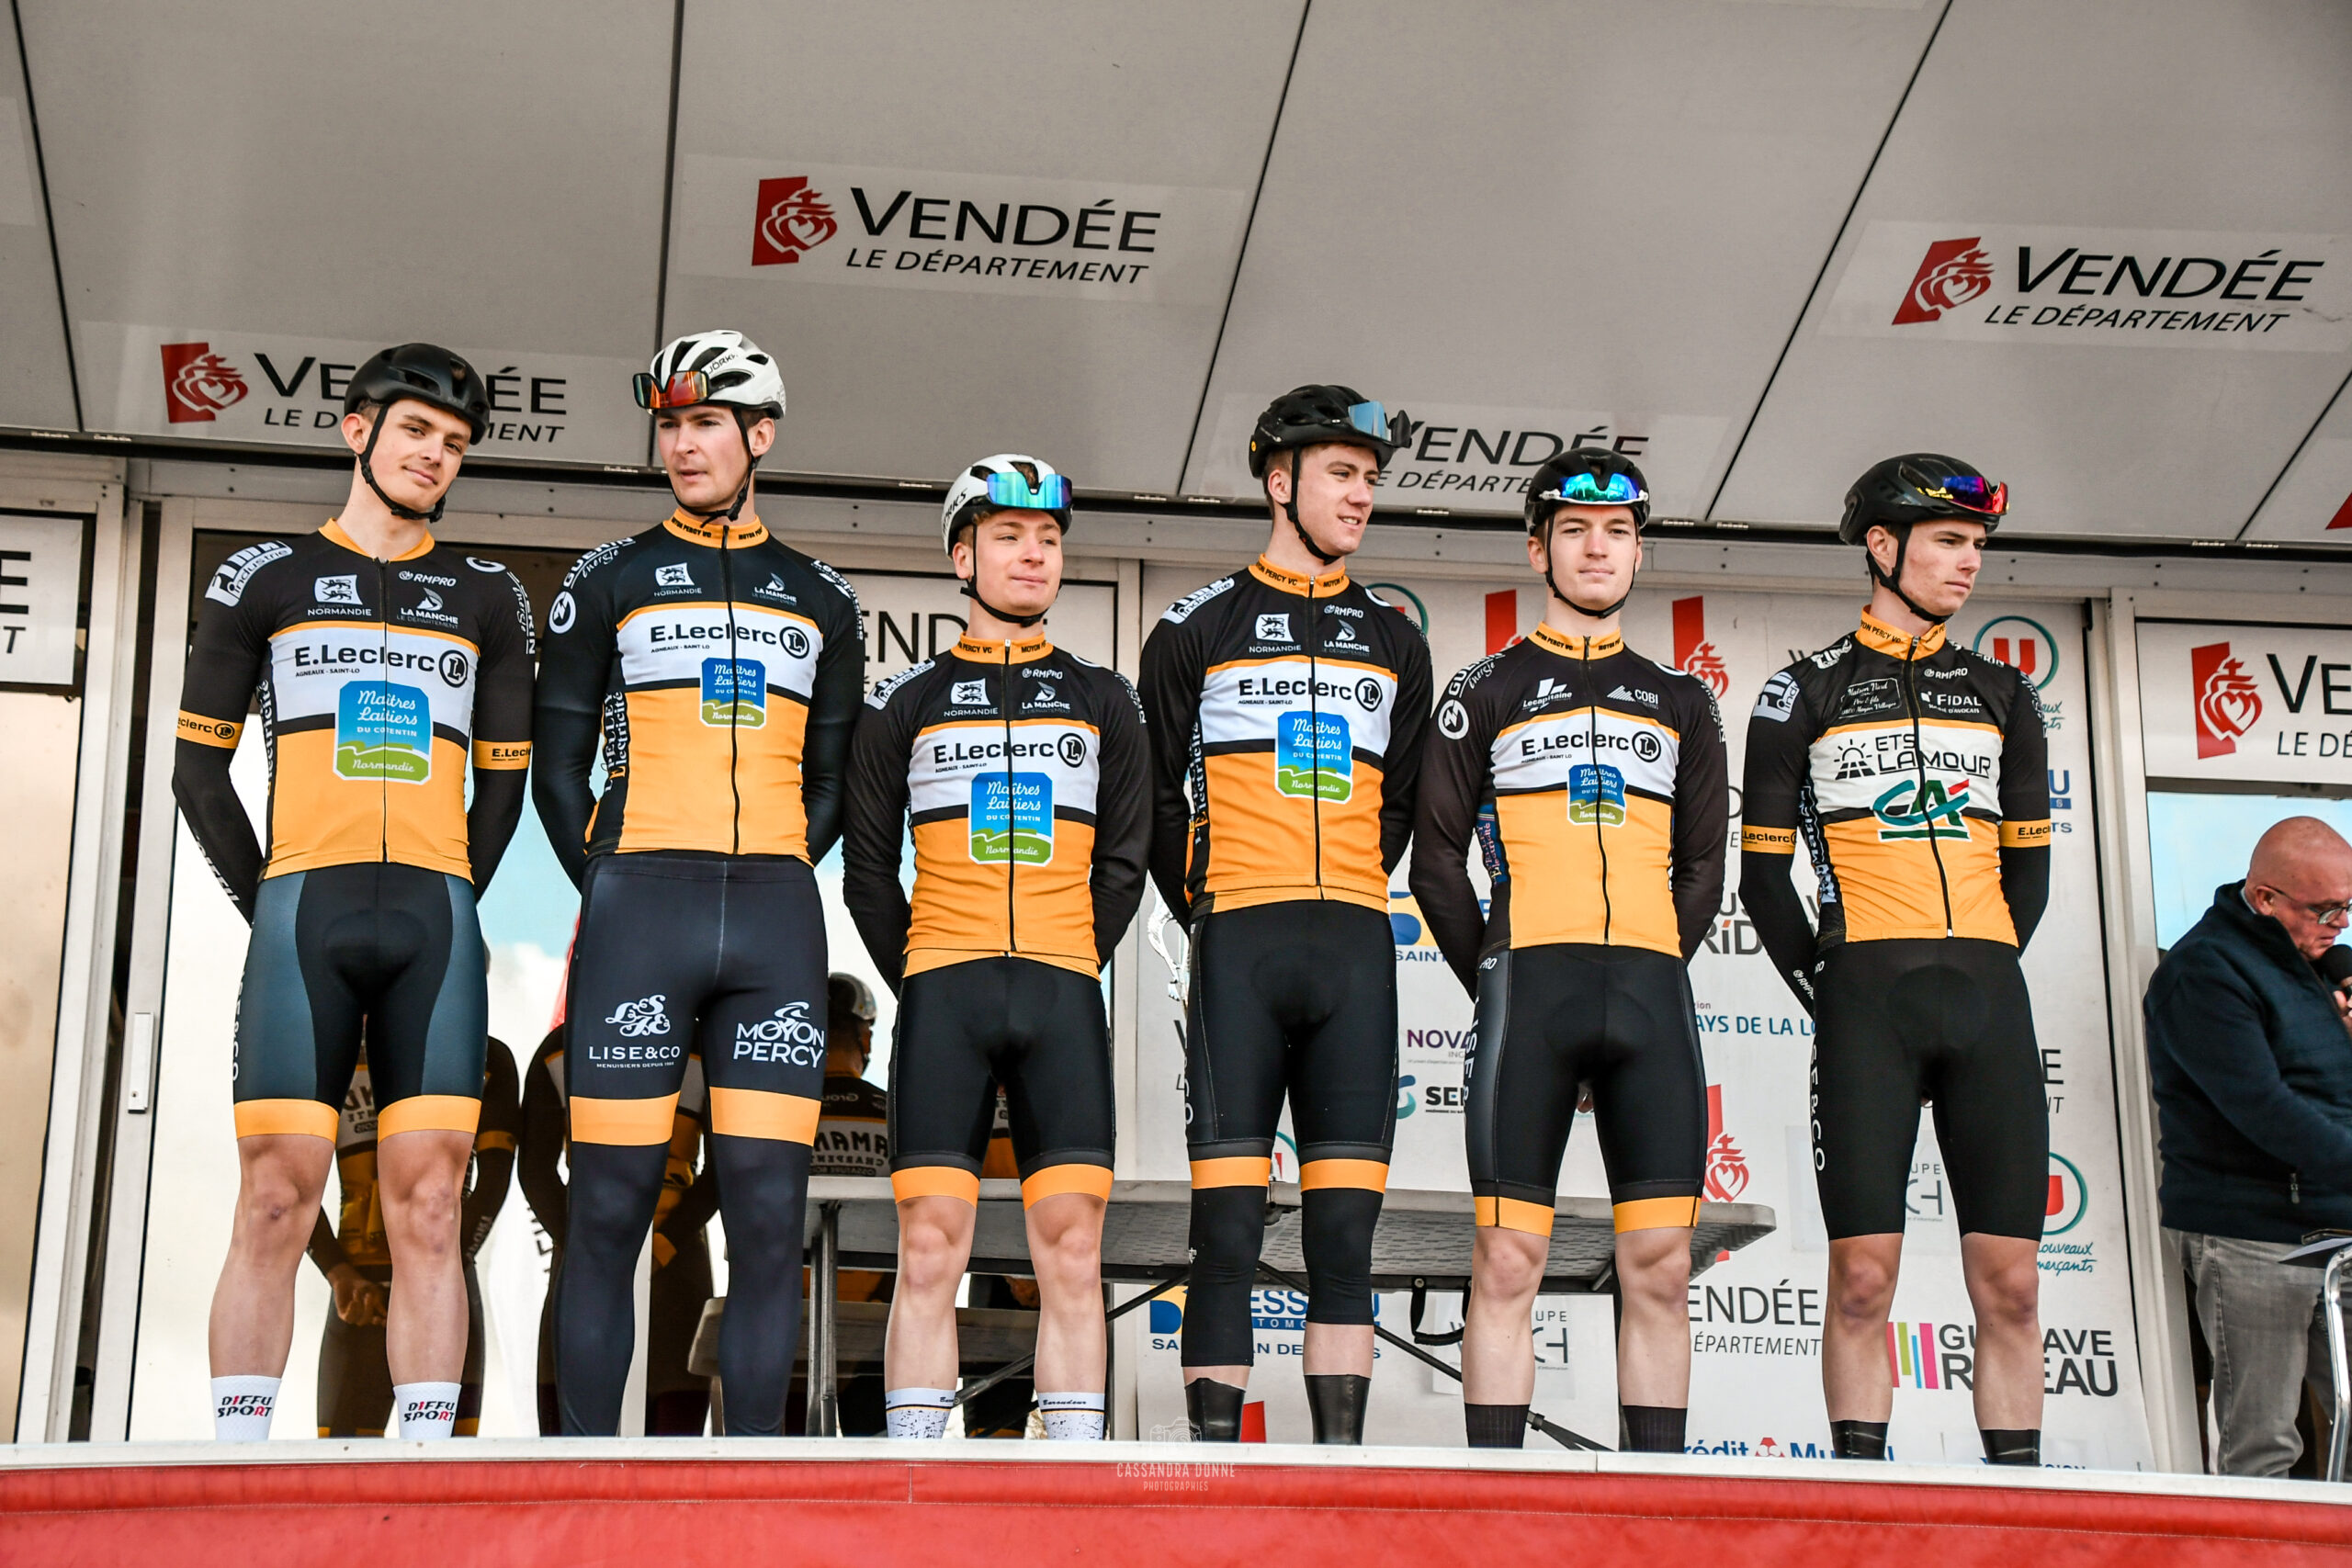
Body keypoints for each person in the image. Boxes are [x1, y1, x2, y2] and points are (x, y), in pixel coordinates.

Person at [176, 344, 535, 1441]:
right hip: (303, 915)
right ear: (357, 429)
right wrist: (271, 904)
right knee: (274, 1198)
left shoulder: (485, 595)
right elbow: (198, 772)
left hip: (434, 922)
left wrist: (454, 894)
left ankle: (423, 1458)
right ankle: (236, 1462)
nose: (435, 456)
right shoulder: (265, 578)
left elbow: (504, 785)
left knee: (431, 1206)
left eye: (456, 444)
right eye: (417, 431)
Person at [532, 330, 865, 1436]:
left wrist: (779, 864)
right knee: (608, 1212)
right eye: (669, 426)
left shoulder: (821, 596)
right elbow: (558, 765)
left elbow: (831, 779)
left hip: (774, 922)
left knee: (767, 1222)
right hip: (641, 908)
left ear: (759, 435)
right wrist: (613, 880)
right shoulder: (608, 578)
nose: (682, 446)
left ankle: (753, 1486)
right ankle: (587, 1481)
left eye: (706, 423)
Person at [1409, 451, 1727, 1452]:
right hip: (1530, 990)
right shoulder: (1485, 687)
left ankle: (1657, 1506)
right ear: (1536, 549)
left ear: (1639, 551)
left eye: (1619, 533)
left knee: (1661, 1266)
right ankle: (1497, 1505)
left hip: (1649, 996)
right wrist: (1497, 975)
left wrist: (1648, 964)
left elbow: (1703, 871)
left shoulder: (1683, 700)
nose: (1599, 550)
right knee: (1508, 1259)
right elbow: (1435, 865)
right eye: (1577, 531)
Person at [1739, 455, 2051, 1466]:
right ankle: (1857, 1499)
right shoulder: (1802, 691)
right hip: (1866, 1000)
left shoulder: (2006, 693)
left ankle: (2019, 1506)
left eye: (1977, 545)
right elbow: (1762, 882)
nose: (1969, 563)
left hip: (1987, 998)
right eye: (1948, 541)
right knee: (1863, 1281)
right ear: (1882, 546)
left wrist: (1983, 962)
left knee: (2012, 1286)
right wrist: (1833, 991)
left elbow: (2030, 877)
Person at [1137, 388, 1431, 1444]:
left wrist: (1341, 884)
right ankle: (1215, 1483)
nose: (1360, 496)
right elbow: (1154, 801)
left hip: (1354, 943)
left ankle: (1336, 1482)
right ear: (1279, 480)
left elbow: (1399, 803)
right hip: (1238, 944)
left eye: (1370, 479)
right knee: (1223, 1233)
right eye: (1340, 474)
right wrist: (1214, 902)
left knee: (1343, 1241)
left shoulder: (1394, 640)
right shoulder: (1195, 628)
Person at [844, 454, 1148, 1443]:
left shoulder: (1105, 700)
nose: (1033, 554)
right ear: (961, 557)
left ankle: (1073, 1477)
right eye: (1009, 536)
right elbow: (865, 873)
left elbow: (1125, 863)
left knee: (1072, 1249)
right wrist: (927, 973)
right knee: (930, 1247)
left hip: (1062, 990)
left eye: (1049, 538)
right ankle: (913, 1477)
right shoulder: (905, 702)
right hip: (945, 989)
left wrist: (1070, 954)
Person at [2146, 816, 2352, 1477]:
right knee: (2263, 1443)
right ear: (2265, 897)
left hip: (2337, 1223)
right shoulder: (2204, 970)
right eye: (2326, 909)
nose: (2340, 924)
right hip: (2251, 1233)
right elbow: (2262, 1108)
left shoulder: (2321, 969)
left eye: (2348, 906)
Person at [515, 1021, 719, 1436]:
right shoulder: (562, 1045)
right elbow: (534, 1169)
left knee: (654, 1448)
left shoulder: (565, 1043)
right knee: (576, 1445)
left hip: (618, 1261)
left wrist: (585, 1252)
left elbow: (535, 1170)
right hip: (659, 1257)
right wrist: (656, 1247)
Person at [310, 1036, 520, 1436]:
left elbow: (494, 1182)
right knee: (344, 1467)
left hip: (435, 1287)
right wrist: (336, 1271)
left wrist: (447, 1268)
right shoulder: (330, 1052)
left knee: (443, 1468)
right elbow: (287, 1189)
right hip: (364, 1292)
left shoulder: (486, 1056)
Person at [790, 972, 891, 1437]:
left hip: (790, 1324)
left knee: (785, 1469)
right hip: (878, 1327)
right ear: (864, 1037)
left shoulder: (781, 1115)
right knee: (879, 1469)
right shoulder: (895, 1115)